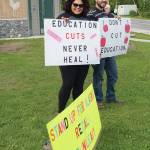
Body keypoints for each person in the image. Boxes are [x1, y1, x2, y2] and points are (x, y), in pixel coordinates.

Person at [87, 0, 122, 107]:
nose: (103, 0)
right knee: (99, 76)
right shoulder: (91, 13)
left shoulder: (108, 14)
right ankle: (98, 100)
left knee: (113, 75)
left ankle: (111, 97)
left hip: (109, 51)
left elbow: (114, 28)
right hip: (98, 51)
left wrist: (117, 19)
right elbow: (87, 31)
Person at [57, 0, 90, 113]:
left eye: (80, 5)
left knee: (79, 85)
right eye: (75, 5)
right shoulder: (62, 17)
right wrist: (60, 25)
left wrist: (117, 19)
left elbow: (102, 27)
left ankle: (77, 112)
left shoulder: (88, 19)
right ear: (70, 5)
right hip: (67, 59)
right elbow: (55, 36)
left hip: (83, 59)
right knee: (67, 84)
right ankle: (61, 111)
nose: (78, 7)